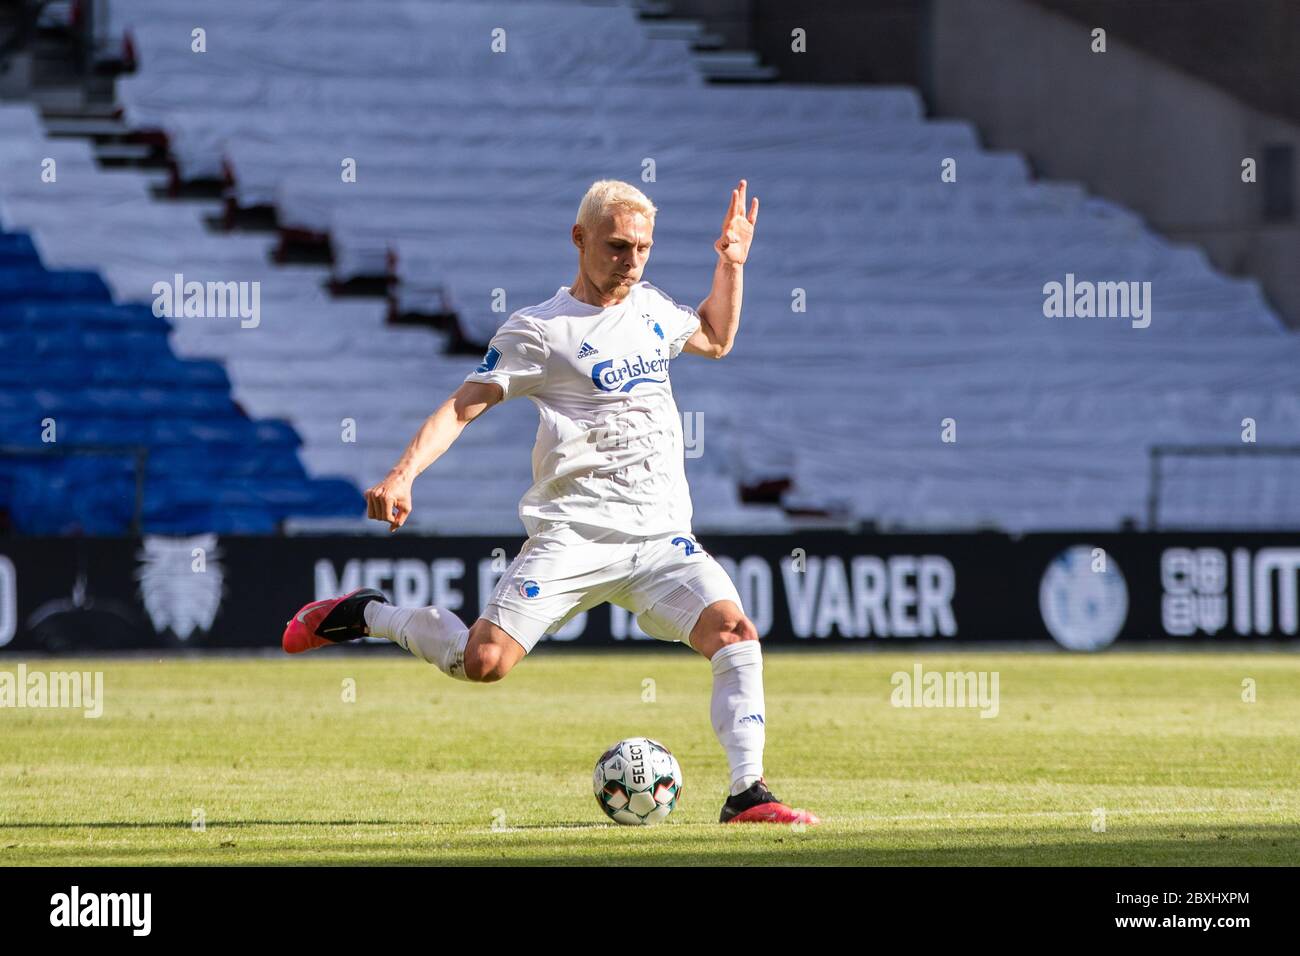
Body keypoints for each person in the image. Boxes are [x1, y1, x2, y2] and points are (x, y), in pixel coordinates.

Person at [283, 179, 817, 825]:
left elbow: (715, 335)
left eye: (643, 248)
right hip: (575, 536)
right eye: (619, 245)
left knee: (736, 633)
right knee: (482, 663)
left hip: (660, 539)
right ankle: (372, 616)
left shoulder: (650, 308)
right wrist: (402, 475)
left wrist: (731, 264)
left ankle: (747, 793)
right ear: (580, 237)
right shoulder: (540, 330)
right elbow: (463, 406)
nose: (632, 260)